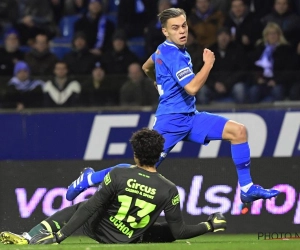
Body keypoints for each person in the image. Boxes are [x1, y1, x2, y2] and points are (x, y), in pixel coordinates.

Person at [66, 8, 280, 205]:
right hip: (170, 120)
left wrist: (158, 80)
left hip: (190, 117)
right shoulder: (172, 54)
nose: (182, 31)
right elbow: (193, 88)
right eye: (175, 28)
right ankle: (90, 178)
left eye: (184, 26)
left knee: (238, 131)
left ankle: (247, 188)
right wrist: (208, 64)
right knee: (140, 172)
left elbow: (146, 66)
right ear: (165, 31)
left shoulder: (165, 50)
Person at [0, 128, 227, 245]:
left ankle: (32, 236)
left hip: (100, 230)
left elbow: (89, 208)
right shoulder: (169, 189)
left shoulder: (119, 172)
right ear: (159, 155)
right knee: (161, 229)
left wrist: (60, 237)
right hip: (130, 238)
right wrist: (207, 226)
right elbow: (179, 232)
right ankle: (214, 223)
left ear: (136, 154)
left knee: (83, 205)